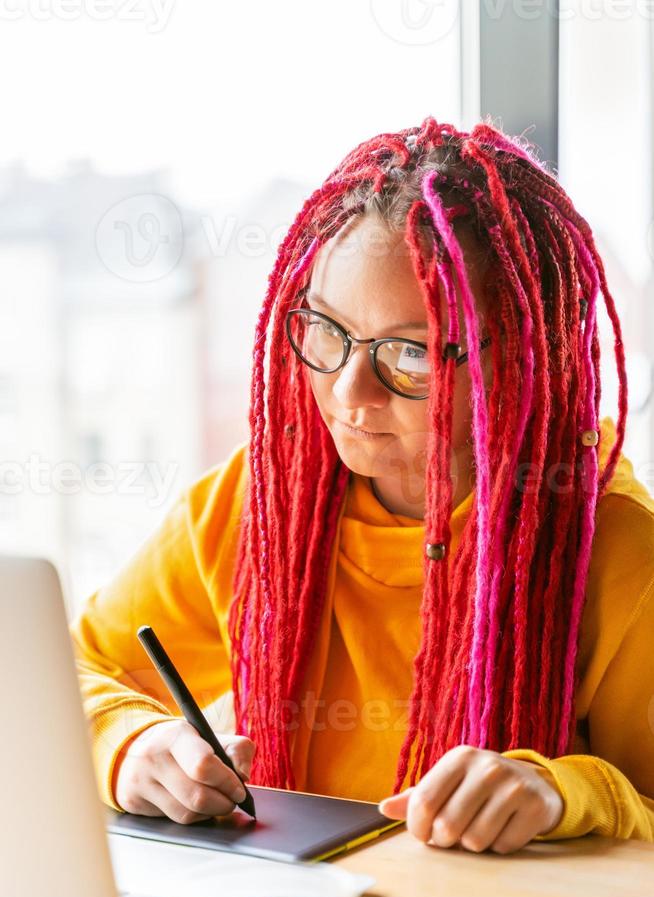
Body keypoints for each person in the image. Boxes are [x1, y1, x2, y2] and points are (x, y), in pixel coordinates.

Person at [71, 117, 654, 855]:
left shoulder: (622, 551)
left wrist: (569, 793)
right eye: (327, 329)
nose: (350, 391)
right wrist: (130, 744)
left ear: (523, 357)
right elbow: (68, 670)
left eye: (409, 353)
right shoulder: (261, 498)